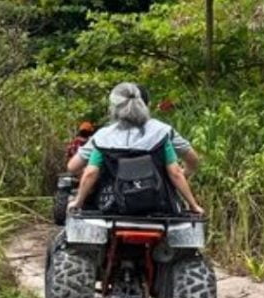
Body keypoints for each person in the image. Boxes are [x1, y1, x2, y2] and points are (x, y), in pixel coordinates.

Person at [66, 82, 204, 216]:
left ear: (114, 108)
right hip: (157, 203)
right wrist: (193, 205)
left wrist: (78, 202)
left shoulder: (103, 138)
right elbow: (175, 173)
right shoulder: (161, 134)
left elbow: (90, 173)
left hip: (112, 204)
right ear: (144, 105)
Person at [66, 86, 199, 179]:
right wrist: (183, 174)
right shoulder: (164, 132)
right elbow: (192, 160)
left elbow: (73, 167)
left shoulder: (104, 136)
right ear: (148, 105)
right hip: (157, 194)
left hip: (110, 196)